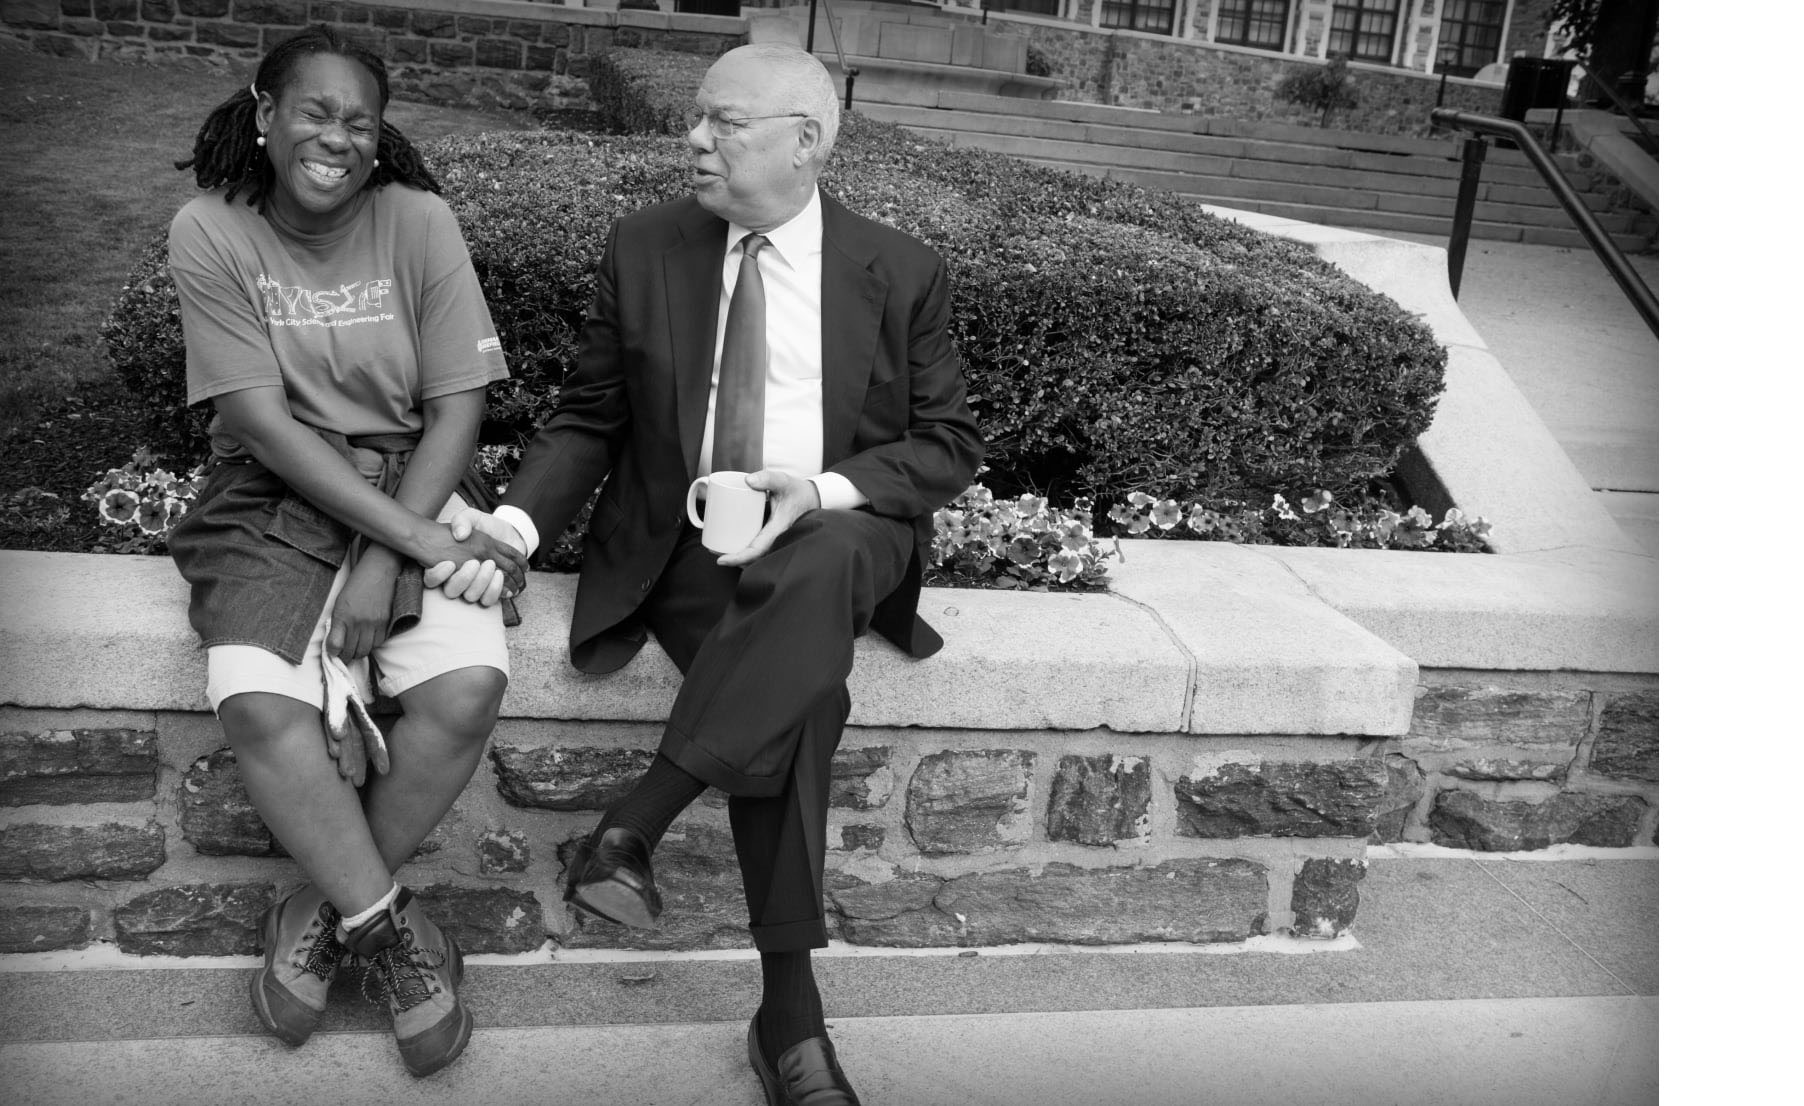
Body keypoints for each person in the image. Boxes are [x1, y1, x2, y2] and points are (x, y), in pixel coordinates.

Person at [437, 42, 983, 1104]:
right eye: (696, 117)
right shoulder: (647, 246)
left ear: (805, 143)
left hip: (844, 527)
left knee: (818, 563)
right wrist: (510, 525)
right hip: (688, 544)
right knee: (804, 695)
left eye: (723, 122)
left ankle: (637, 818)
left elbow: (946, 445)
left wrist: (815, 489)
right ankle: (789, 1019)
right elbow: (591, 415)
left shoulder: (898, 268)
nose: (693, 138)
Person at [163, 24, 526, 1078]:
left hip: (417, 472)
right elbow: (262, 421)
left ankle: (321, 903)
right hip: (273, 492)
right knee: (257, 699)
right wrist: (414, 544)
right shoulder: (210, 228)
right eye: (315, 112)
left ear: (381, 137)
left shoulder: (418, 220)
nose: (337, 136)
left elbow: (458, 405)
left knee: (463, 687)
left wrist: (384, 562)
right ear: (266, 114)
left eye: (359, 121)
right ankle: (392, 929)